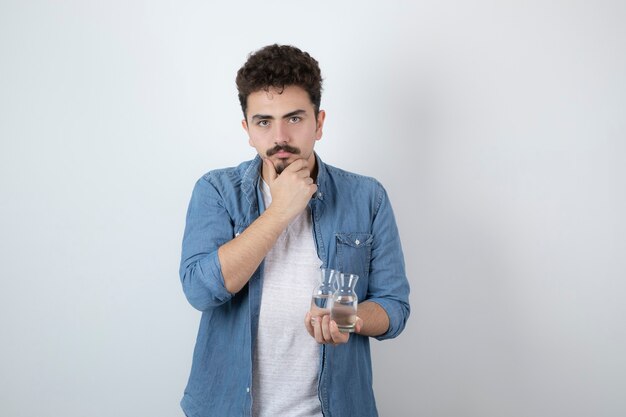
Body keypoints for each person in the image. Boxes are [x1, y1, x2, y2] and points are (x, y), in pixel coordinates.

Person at [179, 44, 410, 417]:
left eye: (295, 118)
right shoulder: (216, 190)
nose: (280, 137)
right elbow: (200, 290)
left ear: (319, 123)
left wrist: (343, 317)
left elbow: (394, 306)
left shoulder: (367, 197)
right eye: (264, 121)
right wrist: (280, 211)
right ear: (248, 130)